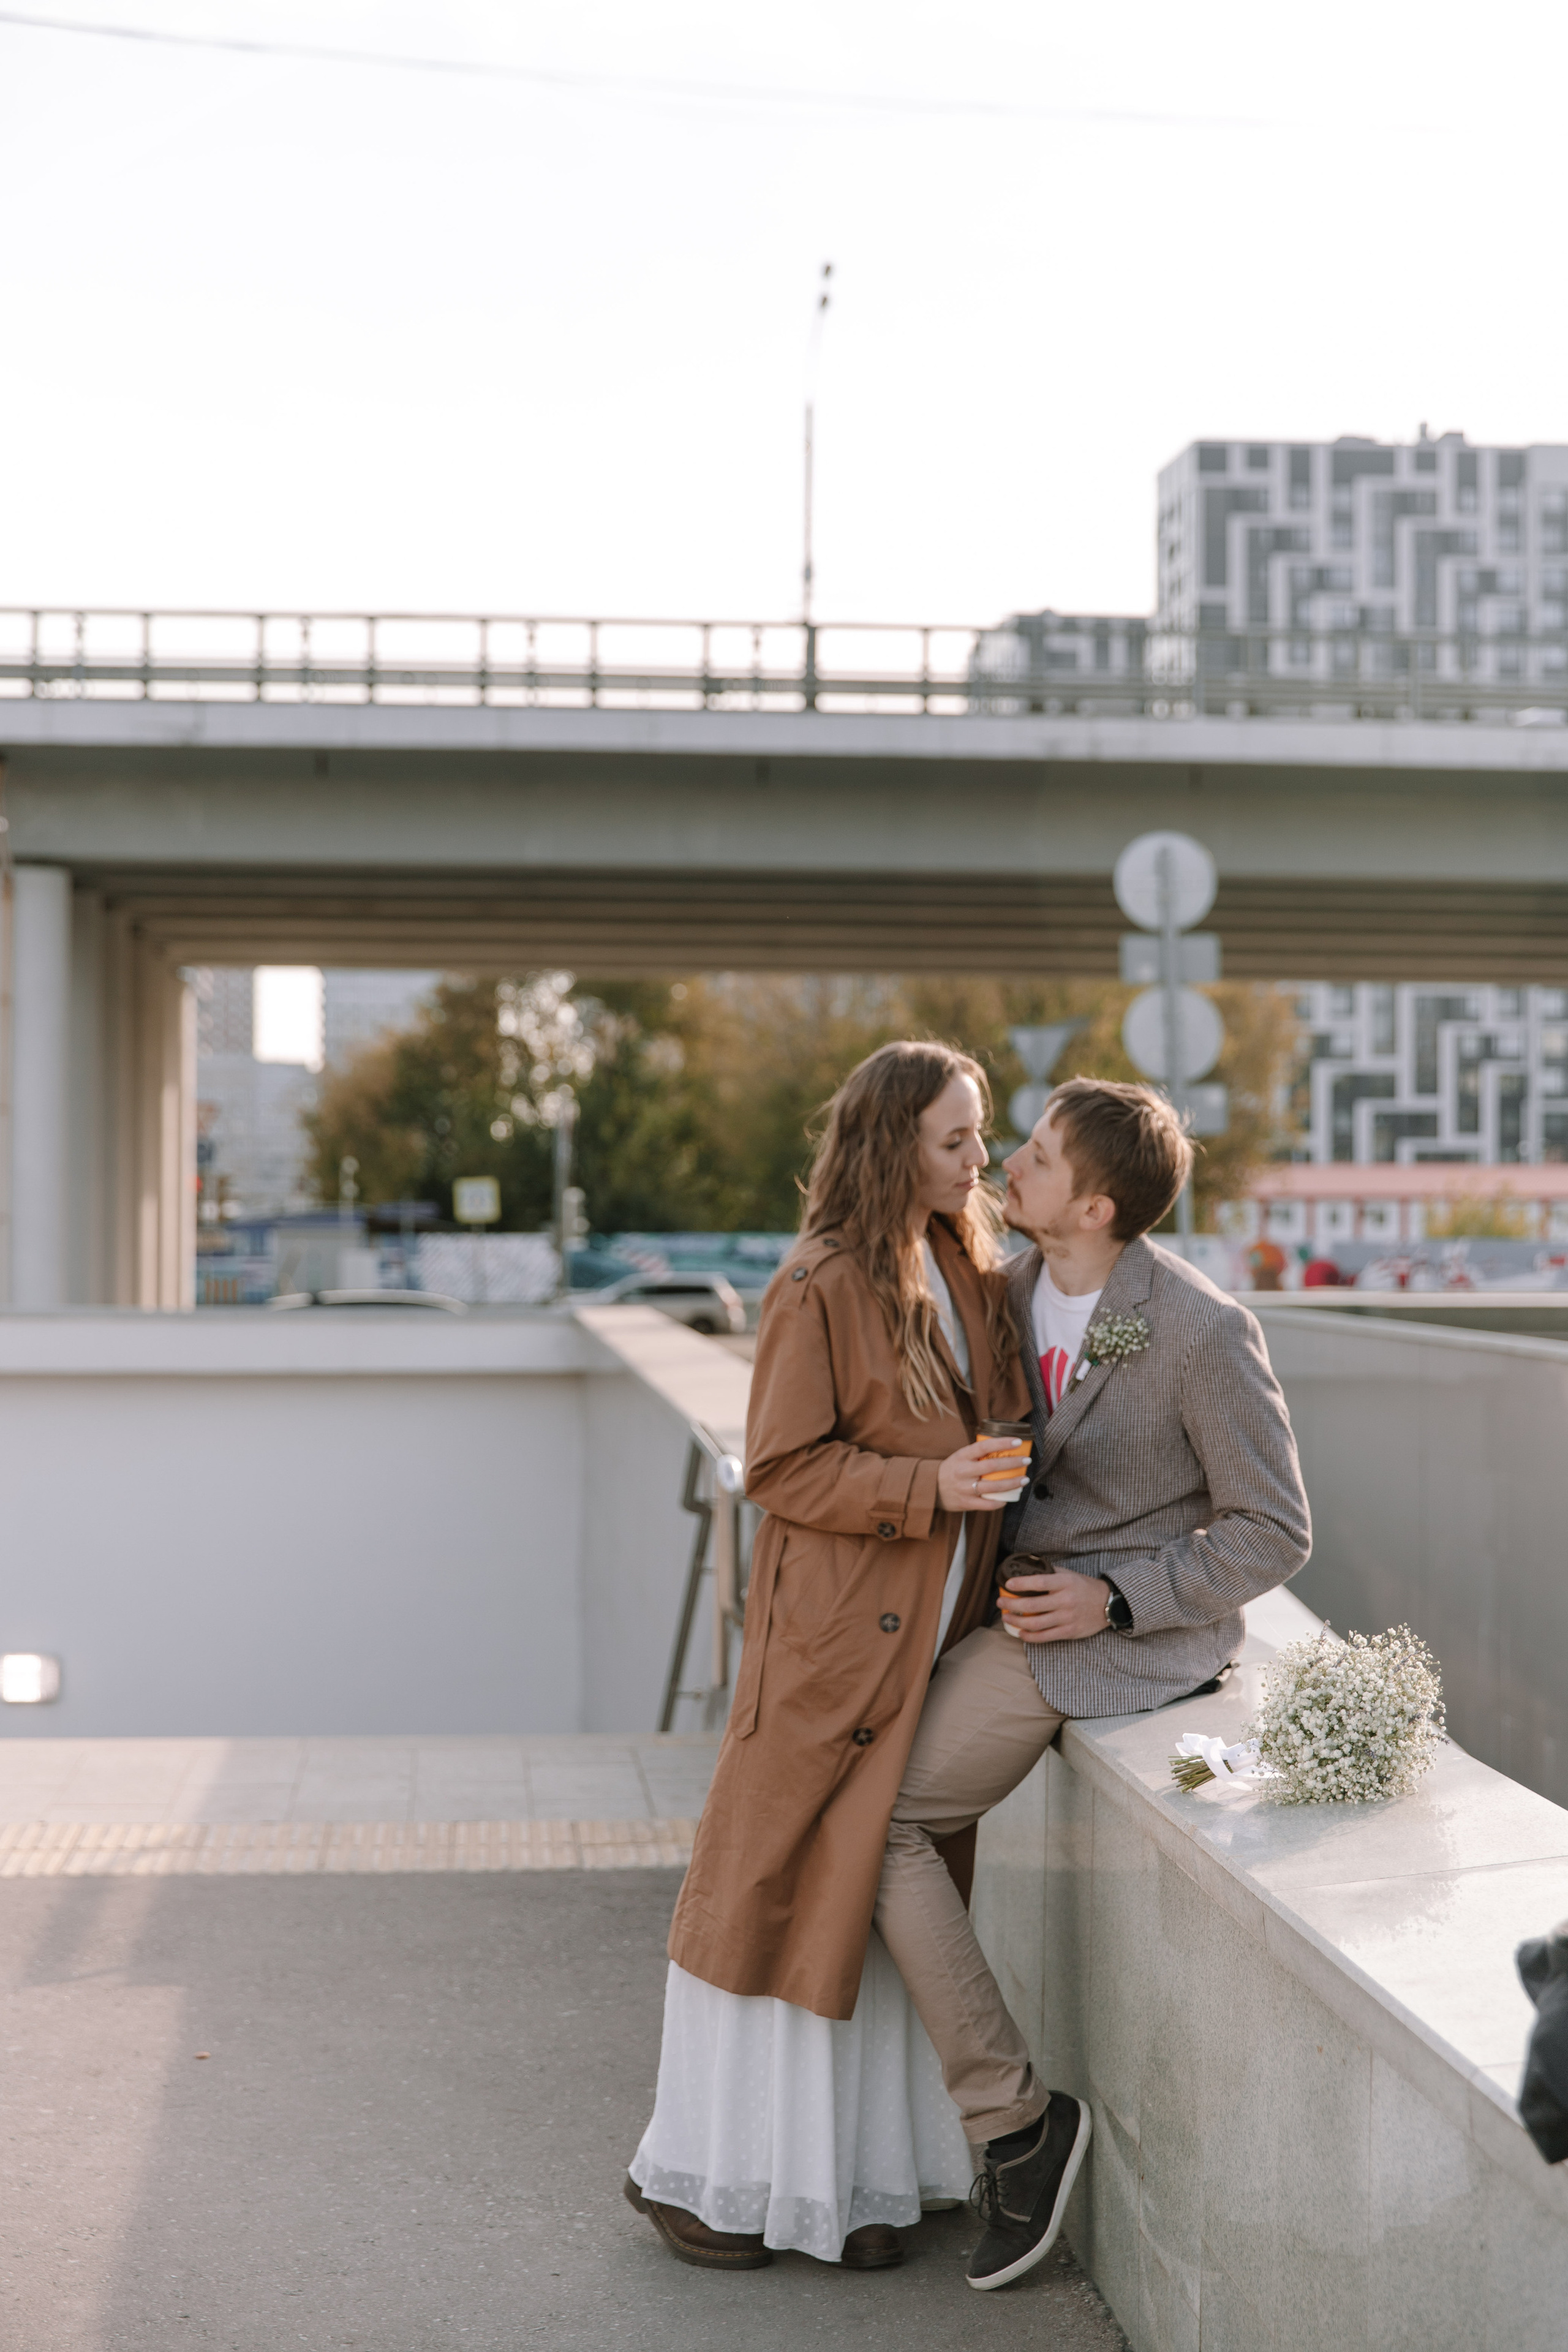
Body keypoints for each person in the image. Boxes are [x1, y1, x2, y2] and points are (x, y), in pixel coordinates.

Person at [872, 1077, 1312, 2290]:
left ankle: (1014, 2126)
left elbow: (1272, 1532)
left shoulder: (1195, 1329)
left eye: (1038, 1155)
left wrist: (1110, 1596)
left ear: (1095, 1204)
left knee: (885, 1827)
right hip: (1000, 1618)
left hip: (1109, 1642)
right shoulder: (1005, 1292)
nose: (1010, 1164)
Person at [625, 1042, 1030, 2271]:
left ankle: (859, 2192)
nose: (979, 1161)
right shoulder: (817, 1282)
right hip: (832, 1656)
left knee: (867, 1909)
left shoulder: (962, 1262)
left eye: (980, 1138)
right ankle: (716, 2183)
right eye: (955, 1141)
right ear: (891, 1142)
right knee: (776, 1901)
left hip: (926, 1650)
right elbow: (783, 1469)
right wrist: (931, 1486)